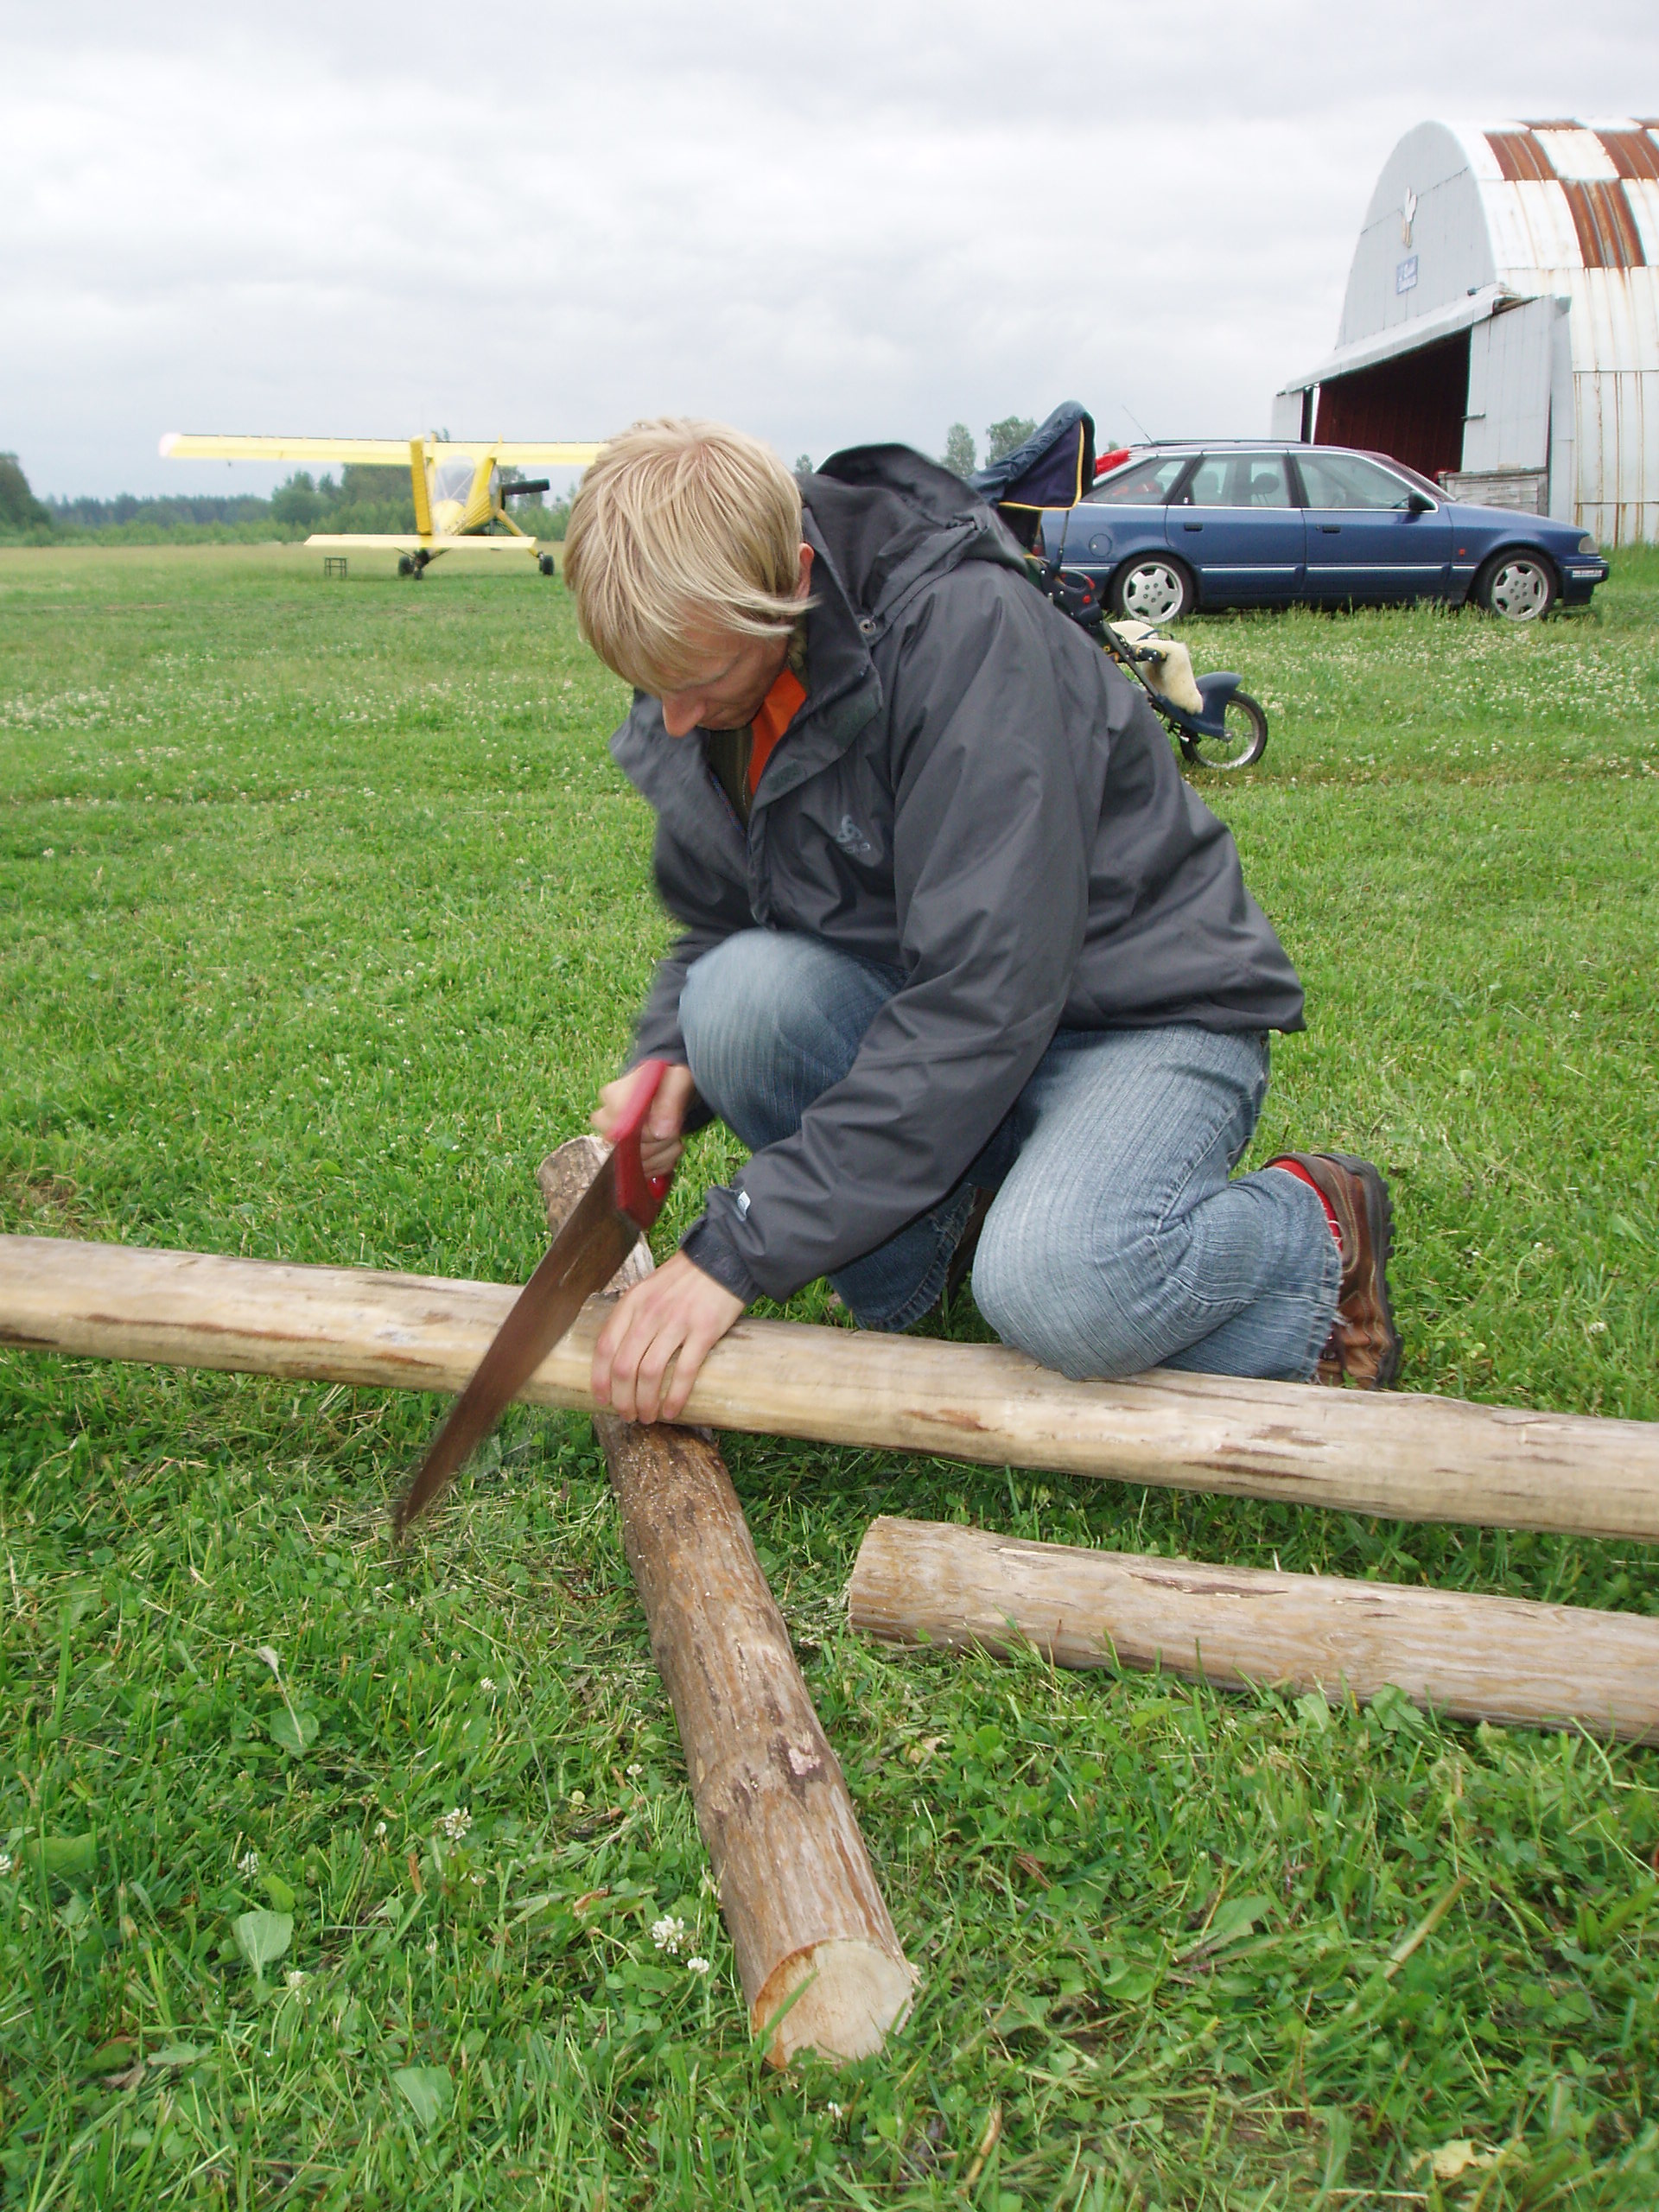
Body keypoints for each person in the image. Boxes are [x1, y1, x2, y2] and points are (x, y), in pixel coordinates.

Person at [562, 418, 1399, 1425]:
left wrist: (741, 1247)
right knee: (732, 998)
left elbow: (984, 993)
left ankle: (1314, 1228)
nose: (678, 722)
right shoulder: (712, 669)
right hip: (954, 1016)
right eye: (651, 691)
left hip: (1142, 1011)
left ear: (789, 580)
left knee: (1062, 1288)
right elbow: (723, 916)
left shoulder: (963, 631)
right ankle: (942, 1256)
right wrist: (672, 1061)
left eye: (698, 687)